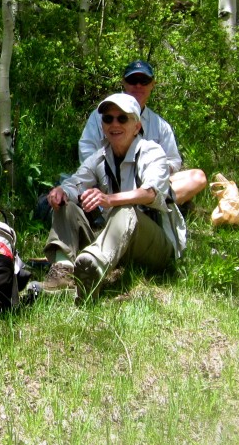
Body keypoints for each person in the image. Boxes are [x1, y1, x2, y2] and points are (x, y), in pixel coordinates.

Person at [42, 93, 187, 298]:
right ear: (102, 126)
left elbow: (150, 193)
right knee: (67, 206)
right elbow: (76, 182)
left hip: (157, 245)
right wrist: (61, 192)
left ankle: (93, 270)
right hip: (117, 241)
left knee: (126, 209)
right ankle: (63, 269)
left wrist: (109, 199)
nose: (114, 124)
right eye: (108, 119)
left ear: (136, 126)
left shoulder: (152, 152)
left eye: (122, 118)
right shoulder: (100, 156)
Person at [78, 60, 206, 206]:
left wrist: (152, 171)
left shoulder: (160, 125)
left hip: (149, 182)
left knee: (198, 177)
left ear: (152, 84)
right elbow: (86, 150)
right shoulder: (100, 115)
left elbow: (174, 161)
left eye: (144, 81)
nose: (138, 85)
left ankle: (145, 201)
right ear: (124, 83)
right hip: (108, 183)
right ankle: (139, 204)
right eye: (133, 80)